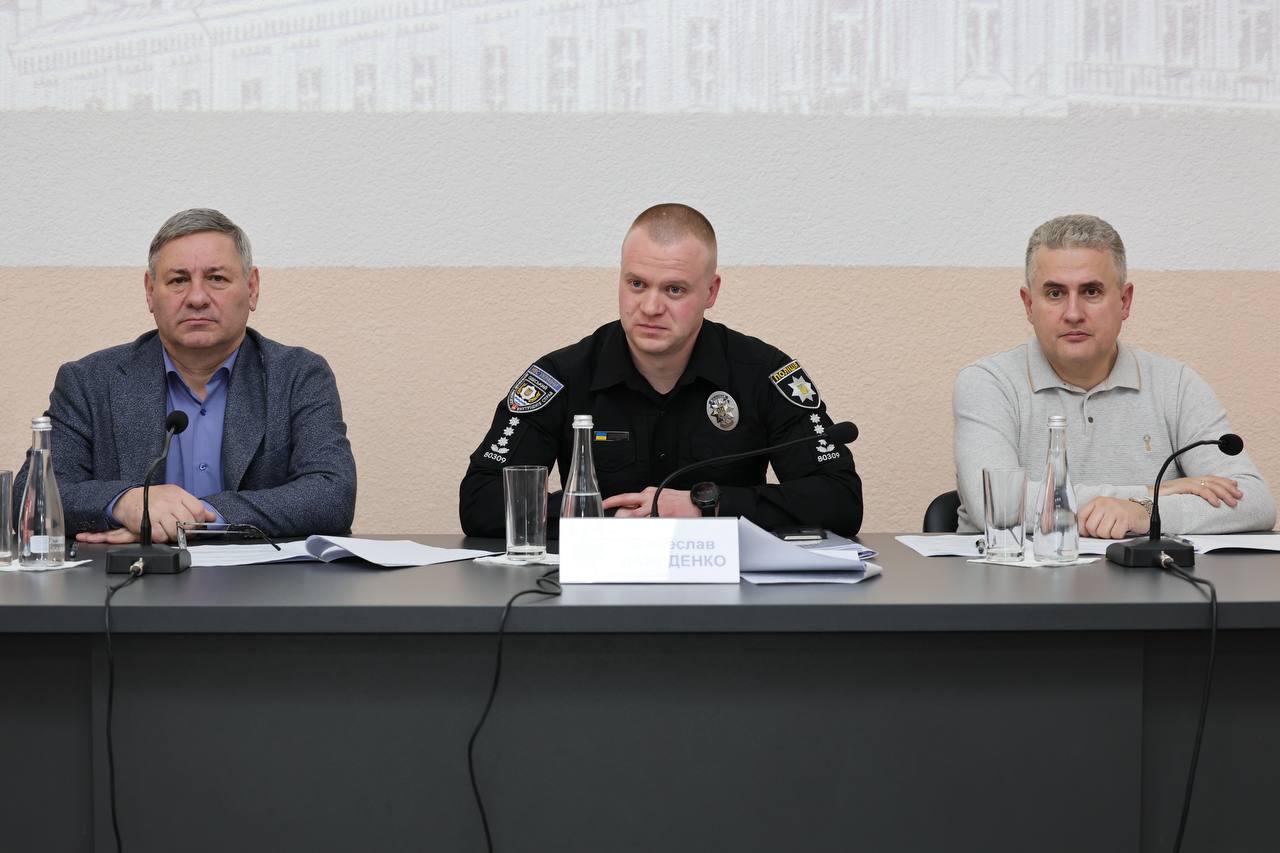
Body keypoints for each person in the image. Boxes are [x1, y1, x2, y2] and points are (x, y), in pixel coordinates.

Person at [460, 203, 862, 537]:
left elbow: (840, 500)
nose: (651, 307)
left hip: (728, 592)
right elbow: (480, 500)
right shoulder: (562, 376)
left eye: (674, 289)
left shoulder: (763, 373)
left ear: (711, 292)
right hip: (596, 592)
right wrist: (597, 517)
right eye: (637, 284)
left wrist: (706, 506)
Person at [14, 208, 357, 543]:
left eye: (216, 278)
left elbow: (332, 493)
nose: (197, 298)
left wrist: (197, 518)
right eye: (178, 280)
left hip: (260, 579)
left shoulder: (299, 376)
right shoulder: (89, 382)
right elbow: (31, 496)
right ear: (150, 291)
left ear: (252, 288)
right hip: (133, 578)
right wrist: (126, 502)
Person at [953, 214, 1274, 538]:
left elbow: (1254, 502)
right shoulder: (989, 383)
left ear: (1124, 301)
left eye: (1091, 291)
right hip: (1012, 573)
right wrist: (1150, 494)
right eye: (1055, 293)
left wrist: (1143, 513)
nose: (1073, 313)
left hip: (1147, 573)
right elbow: (997, 506)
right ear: (1028, 305)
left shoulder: (1176, 385)